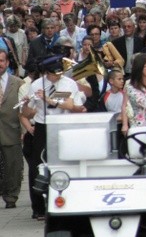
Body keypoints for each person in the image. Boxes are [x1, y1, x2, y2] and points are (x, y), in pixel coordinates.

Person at [22, 54, 86, 219]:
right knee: (37, 164)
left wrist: (49, 100)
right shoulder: (36, 84)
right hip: (43, 125)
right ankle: (38, 207)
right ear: (46, 72)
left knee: (66, 162)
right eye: (54, 73)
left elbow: (72, 105)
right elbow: (26, 113)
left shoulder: (68, 83)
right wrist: (29, 102)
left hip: (63, 124)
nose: (57, 76)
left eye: (59, 72)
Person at [0, 50, 23, 209]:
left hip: (11, 129)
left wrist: (24, 129)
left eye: (1, 61)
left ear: (7, 63)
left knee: (13, 167)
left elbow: (23, 107)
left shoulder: (18, 82)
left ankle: (11, 197)